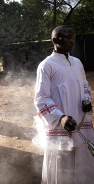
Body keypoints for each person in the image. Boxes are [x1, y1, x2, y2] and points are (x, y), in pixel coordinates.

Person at [34, 25, 94, 184]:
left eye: (73, 37)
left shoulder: (77, 62)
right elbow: (41, 98)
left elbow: (85, 86)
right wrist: (60, 118)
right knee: (62, 169)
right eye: (68, 37)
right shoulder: (46, 65)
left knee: (83, 165)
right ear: (55, 40)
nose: (72, 40)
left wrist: (86, 100)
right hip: (61, 125)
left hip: (81, 121)